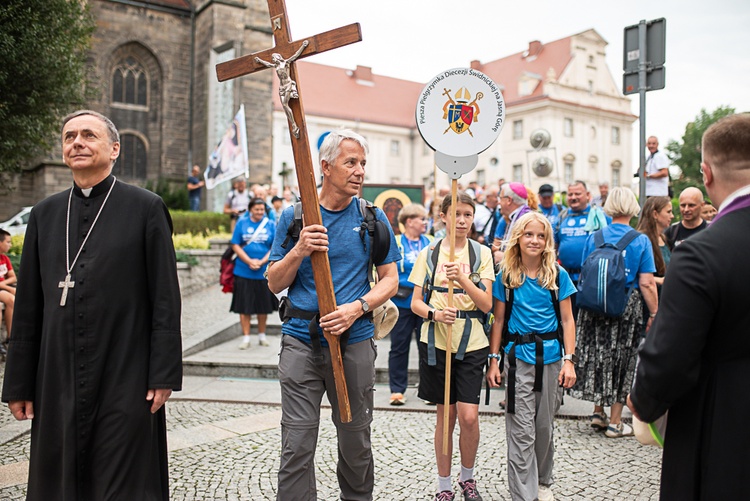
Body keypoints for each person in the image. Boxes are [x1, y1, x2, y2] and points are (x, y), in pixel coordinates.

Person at [1, 110, 182, 500]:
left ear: (114, 149)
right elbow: (29, 304)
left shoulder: (146, 208)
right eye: (69, 136)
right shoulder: (44, 215)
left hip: (125, 372)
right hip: (57, 377)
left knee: (124, 479)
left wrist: (163, 373)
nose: (76, 142)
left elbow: (165, 297)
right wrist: (18, 381)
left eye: (88, 135)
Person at [266, 129, 400, 501]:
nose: (360, 171)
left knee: (356, 441)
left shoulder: (372, 218)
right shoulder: (294, 218)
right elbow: (273, 282)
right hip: (300, 342)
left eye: (363, 164)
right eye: (351, 162)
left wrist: (357, 308)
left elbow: (390, 280)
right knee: (296, 442)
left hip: (354, 341)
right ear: (325, 167)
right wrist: (299, 250)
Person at [628, 113, 750, 500]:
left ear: (706, 173)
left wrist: (643, 402)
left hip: (724, 431)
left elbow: (670, 357)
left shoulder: (701, 253)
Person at [409, 192, 494, 501]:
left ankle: (467, 478)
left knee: (469, 416)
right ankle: (444, 484)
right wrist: (434, 313)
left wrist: (462, 279)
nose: (462, 220)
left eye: (468, 215)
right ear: (442, 216)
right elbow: (415, 302)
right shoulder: (429, 253)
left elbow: (486, 304)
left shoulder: (481, 253)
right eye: (456, 214)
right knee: (446, 417)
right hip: (437, 341)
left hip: (471, 342)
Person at [487, 211, 577, 501]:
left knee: (544, 427)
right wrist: (493, 360)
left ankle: (542, 481)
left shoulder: (557, 275)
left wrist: (569, 359)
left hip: (551, 358)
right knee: (521, 428)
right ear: (518, 238)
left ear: (547, 240)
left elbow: (567, 320)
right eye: (529, 234)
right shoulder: (507, 276)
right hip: (517, 361)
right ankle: (524, 494)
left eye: (540, 235)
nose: (534, 240)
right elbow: (498, 320)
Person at [570, 187, 658, 438]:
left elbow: (585, 273)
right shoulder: (640, 240)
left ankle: (598, 412)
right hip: (625, 308)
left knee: (599, 356)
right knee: (623, 359)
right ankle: (616, 422)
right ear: (633, 206)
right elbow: (647, 283)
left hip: (593, 307)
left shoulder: (594, 237)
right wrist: (654, 314)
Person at [388, 203, 431, 406]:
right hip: (401, 302)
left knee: (428, 346)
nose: (425, 222)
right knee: (399, 347)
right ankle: (397, 390)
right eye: (421, 219)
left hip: (425, 302)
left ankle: (429, 390)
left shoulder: (431, 241)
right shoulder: (395, 242)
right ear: (409, 221)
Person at [554, 181, 609, 316]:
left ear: (588, 195)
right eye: (570, 194)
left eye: (577, 194)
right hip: (566, 279)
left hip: (591, 280)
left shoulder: (599, 215)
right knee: (568, 319)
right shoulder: (561, 217)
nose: (573, 197)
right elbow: (553, 246)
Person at [231, 197, 278, 349]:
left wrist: (262, 261)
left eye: (262, 209)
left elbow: (275, 246)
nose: (259, 212)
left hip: (263, 272)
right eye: (256, 209)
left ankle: (262, 335)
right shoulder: (242, 223)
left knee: (262, 306)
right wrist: (249, 261)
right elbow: (235, 245)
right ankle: (245, 337)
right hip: (243, 270)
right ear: (250, 209)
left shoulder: (270, 225)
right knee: (244, 306)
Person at [255, 40, 309, 137]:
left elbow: (295, 55)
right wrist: (259, 61)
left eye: (274, 58)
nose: (273, 59)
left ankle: (294, 125)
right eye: (272, 58)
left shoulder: (286, 63)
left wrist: (303, 46)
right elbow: (267, 64)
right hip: (281, 87)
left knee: (285, 104)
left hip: (288, 84)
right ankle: (293, 124)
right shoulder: (275, 65)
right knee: (284, 106)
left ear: (278, 57)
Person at [636, 196, 673, 292]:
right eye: (668, 212)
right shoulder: (641, 239)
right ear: (655, 214)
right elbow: (635, 273)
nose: (672, 216)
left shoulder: (664, 238)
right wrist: (659, 280)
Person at [492, 182, 531, 263]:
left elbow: (529, 253)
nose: (498, 202)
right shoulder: (513, 217)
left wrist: (504, 257)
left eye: (501, 198)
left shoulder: (526, 220)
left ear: (509, 200)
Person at [663, 187, 708, 251]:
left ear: (702, 205)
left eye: (691, 205)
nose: (686, 210)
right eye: (683, 205)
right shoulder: (672, 232)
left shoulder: (711, 229)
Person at [0, 229, 16, 342]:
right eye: (8, 242)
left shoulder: (5, 259)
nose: (10, 245)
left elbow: (13, 277)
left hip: (2, 288)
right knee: (11, 298)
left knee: (13, 300)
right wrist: (7, 287)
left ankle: (11, 336)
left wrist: (3, 283)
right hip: (2, 290)